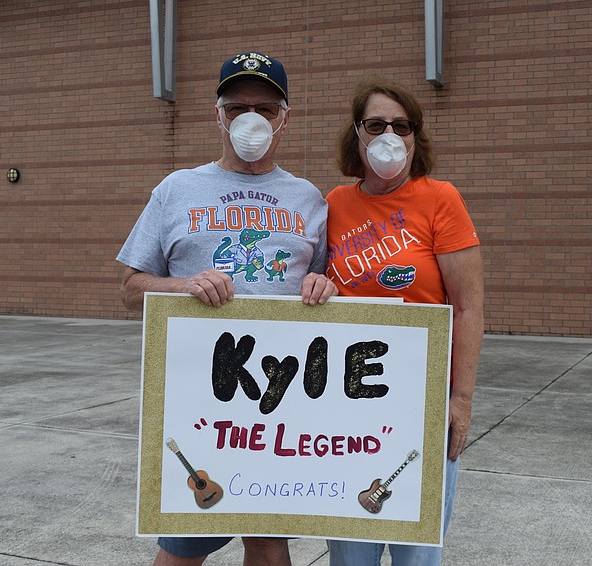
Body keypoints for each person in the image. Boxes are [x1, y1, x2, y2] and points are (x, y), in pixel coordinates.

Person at [117, 51, 336, 566]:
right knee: (182, 543)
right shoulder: (176, 189)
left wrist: (324, 285)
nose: (252, 119)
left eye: (265, 107)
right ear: (217, 114)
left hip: (281, 403)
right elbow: (129, 288)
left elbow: (326, 282)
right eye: (238, 107)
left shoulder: (309, 199)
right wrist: (183, 286)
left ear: (286, 118)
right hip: (200, 404)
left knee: (268, 541)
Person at [324, 79, 484, 566]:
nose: (389, 135)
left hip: (421, 401)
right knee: (351, 551)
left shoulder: (441, 199)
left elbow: (468, 307)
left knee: (418, 553)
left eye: (402, 125)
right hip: (345, 402)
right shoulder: (332, 204)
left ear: (416, 137)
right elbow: (313, 288)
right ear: (357, 135)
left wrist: (460, 399)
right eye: (376, 124)